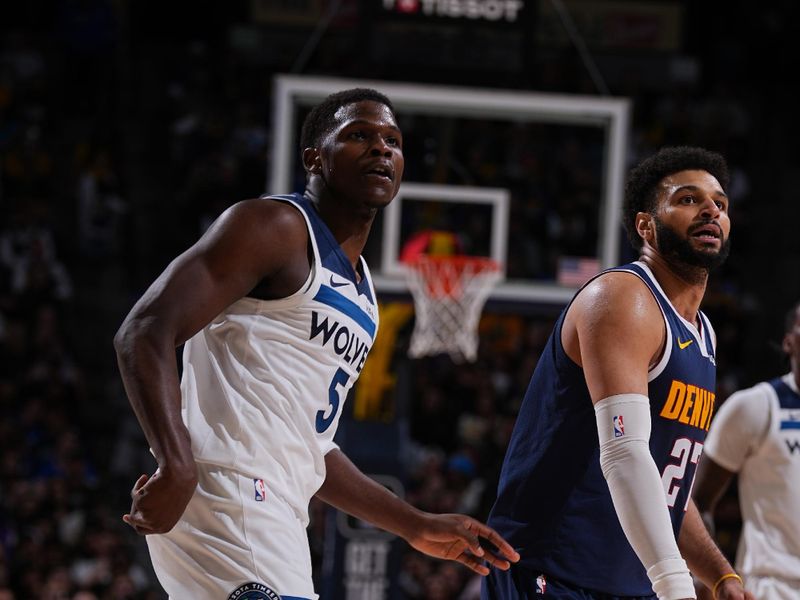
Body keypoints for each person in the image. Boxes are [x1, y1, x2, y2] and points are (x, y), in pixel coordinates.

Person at [114, 88, 519, 600]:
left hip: (277, 506)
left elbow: (314, 448)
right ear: (314, 157)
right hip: (231, 489)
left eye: (392, 141)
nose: (381, 149)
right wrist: (175, 461)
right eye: (359, 136)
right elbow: (145, 329)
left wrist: (412, 524)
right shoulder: (273, 227)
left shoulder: (365, 295)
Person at [482, 146, 753, 600]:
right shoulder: (622, 297)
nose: (710, 209)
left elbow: (669, 487)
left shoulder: (703, 333)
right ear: (646, 225)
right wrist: (676, 585)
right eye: (688, 199)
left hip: (634, 584)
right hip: (554, 575)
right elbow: (625, 453)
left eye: (720, 204)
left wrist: (721, 575)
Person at [693, 300, 800, 600]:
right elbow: (698, 503)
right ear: (789, 342)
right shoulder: (755, 406)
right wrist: (707, 576)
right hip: (773, 586)